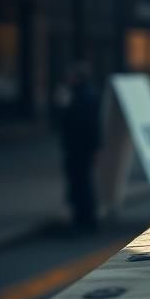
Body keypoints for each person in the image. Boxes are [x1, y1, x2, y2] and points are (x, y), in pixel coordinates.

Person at [59, 63, 102, 232]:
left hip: (80, 148)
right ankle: (83, 218)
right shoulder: (77, 95)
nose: (67, 79)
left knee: (81, 184)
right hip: (75, 147)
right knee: (79, 183)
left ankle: (85, 220)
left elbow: (91, 125)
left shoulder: (84, 96)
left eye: (70, 76)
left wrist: (95, 147)